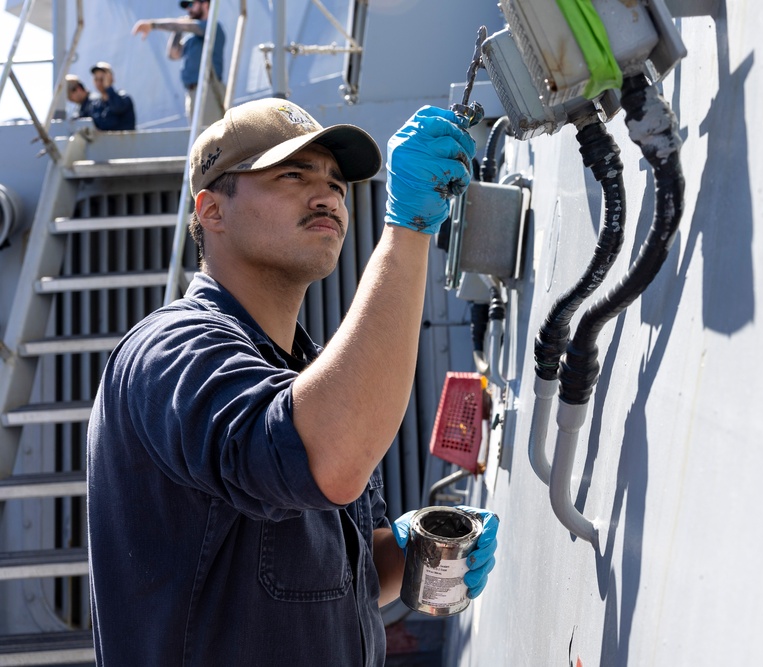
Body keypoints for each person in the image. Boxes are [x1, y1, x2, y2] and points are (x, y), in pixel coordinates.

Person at [87, 98, 499, 665]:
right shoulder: (172, 352)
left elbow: (348, 572)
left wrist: (405, 552)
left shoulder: (306, 372)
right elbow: (328, 459)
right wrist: (409, 229)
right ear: (212, 211)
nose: (326, 193)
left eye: (336, 180)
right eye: (292, 174)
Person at [132, 0, 226, 119]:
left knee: (212, 133)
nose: (188, 9)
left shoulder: (212, 27)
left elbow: (187, 26)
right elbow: (173, 54)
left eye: (192, 4)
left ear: (205, 5)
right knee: (199, 135)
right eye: (186, 6)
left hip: (209, 91)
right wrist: (178, 30)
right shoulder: (192, 39)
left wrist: (152, 25)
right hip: (193, 93)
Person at [79, 62, 136, 131]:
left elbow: (116, 109)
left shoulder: (123, 99)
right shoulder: (95, 104)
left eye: (102, 79)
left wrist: (109, 88)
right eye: (96, 79)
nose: (99, 83)